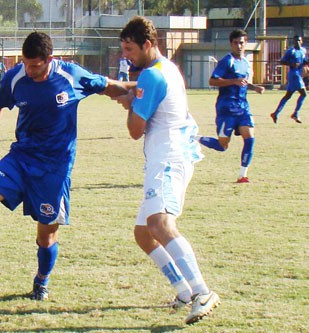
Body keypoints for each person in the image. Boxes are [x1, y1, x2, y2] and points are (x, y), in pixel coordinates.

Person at [0, 32, 134, 302]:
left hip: (54, 170)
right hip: (21, 158)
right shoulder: (15, 77)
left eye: (35, 65)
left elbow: (110, 86)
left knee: (46, 238)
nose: (29, 70)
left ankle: (41, 280)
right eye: (25, 63)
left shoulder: (71, 75)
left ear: (50, 60)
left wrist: (145, 86)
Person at [113, 16, 219, 325]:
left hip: (168, 159)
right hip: (168, 157)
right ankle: (184, 292)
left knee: (159, 223)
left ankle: (202, 292)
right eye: (123, 49)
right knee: (144, 234)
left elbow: (135, 130)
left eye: (130, 49)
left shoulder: (152, 77)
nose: (126, 56)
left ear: (148, 44)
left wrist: (130, 103)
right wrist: (133, 96)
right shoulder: (167, 69)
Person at [198, 29, 265, 183]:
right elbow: (213, 81)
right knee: (222, 146)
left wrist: (255, 87)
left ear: (246, 43)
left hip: (243, 107)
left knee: (250, 138)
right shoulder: (227, 61)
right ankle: (196, 138)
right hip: (226, 108)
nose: (239, 46)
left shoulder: (246, 63)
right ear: (231, 44)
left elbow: (243, 83)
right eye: (236, 43)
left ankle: (243, 175)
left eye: (241, 42)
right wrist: (232, 81)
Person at [270, 35, 308, 124]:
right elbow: (282, 61)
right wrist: (292, 63)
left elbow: (304, 61)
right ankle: (296, 113)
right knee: (303, 94)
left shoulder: (303, 50)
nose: (297, 42)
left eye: (299, 40)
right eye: (296, 41)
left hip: (298, 74)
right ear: (293, 42)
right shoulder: (291, 51)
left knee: (288, 96)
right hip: (294, 74)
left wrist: (308, 62)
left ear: (302, 41)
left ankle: (275, 113)